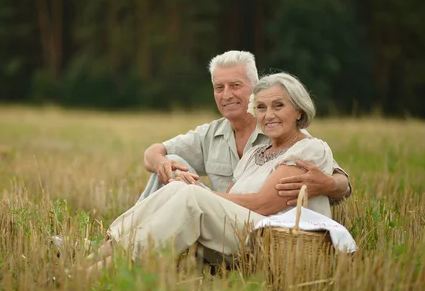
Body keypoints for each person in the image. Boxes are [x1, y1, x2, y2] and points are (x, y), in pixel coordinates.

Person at [81, 72, 339, 274]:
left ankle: (105, 272)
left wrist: (198, 193)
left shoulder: (309, 148)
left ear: (299, 111)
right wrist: (191, 190)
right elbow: (227, 196)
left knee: (190, 196)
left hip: (273, 243)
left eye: (278, 105)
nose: (268, 115)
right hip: (238, 236)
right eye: (261, 108)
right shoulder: (255, 153)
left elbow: (263, 204)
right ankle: (92, 259)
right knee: (177, 188)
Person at [138, 50, 351, 206]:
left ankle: (127, 245)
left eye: (236, 85)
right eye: (219, 88)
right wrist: (163, 165)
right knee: (174, 168)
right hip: (214, 213)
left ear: (256, 87)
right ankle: (126, 242)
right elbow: (152, 153)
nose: (227, 95)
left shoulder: (282, 131)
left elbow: (342, 182)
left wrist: (328, 185)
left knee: (181, 187)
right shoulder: (211, 133)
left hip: (248, 223)